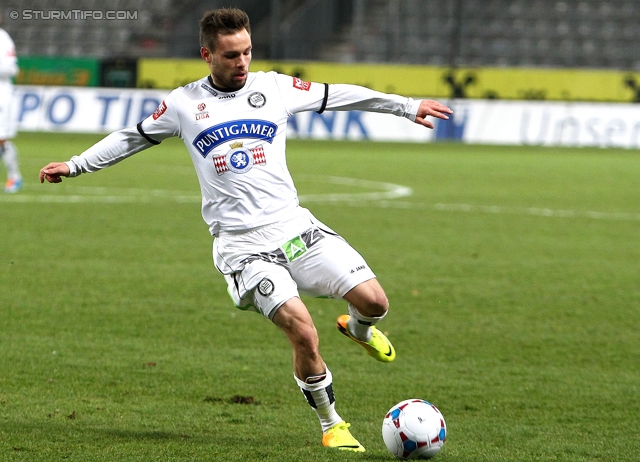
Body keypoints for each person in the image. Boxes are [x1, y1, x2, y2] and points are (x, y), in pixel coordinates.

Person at [40, 8, 452, 452]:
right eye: (232, 55)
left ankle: (359, 329)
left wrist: (406, 107)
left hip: (294, 227)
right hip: (243, 248)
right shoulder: (183, 104)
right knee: (304, 332)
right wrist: (76, 164)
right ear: (207, 55)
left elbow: (342, 94)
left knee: (375, 301)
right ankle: (332, 423)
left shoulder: (273, 87)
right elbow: (131, 136)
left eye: (248, 52)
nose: (242, 62)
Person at [0, 12, 23, 193]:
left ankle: (14, 177)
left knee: (1, 139)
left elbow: (12, 68)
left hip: (1, 94)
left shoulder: (3, 38)